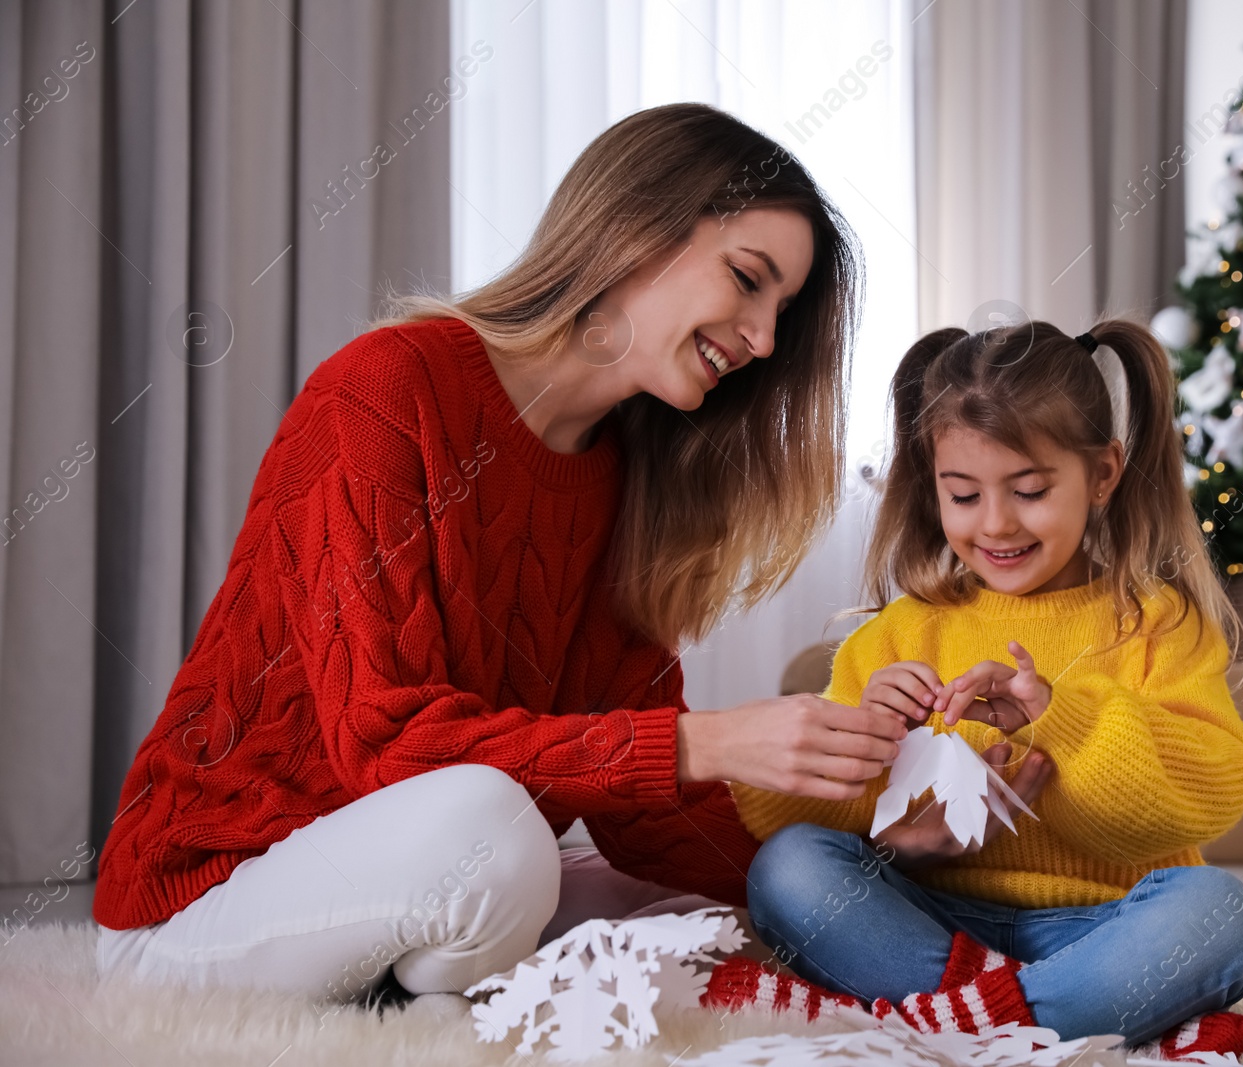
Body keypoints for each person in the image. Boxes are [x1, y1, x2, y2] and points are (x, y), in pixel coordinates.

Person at [90, 103, 910, 1013]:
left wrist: (861, 855)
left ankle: (434, 988)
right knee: (499, 836)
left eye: (780, 314)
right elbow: (385, 744)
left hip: (414, 879)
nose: (761, 339)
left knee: (717, 920)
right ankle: (438, 1008)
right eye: (748, 281)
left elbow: (643, 814)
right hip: (202, 906)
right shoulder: (384, 390)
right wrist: (707, 740)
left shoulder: (625, 478)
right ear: (635, 227)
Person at [709, 319, 1243, 1058]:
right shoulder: (900, 634)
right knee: (789, 867)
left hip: (1105, 924)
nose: (997, 523)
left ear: (1103, 474)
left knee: (1221, 914)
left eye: (1030, 490)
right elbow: (793, 815)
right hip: (935, 926)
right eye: (964, 494)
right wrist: (868, 742)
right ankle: (1043, 1019)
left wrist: (1060, 721)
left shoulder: (1157, 621)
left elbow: (1210, 792)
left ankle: (956, 1022)